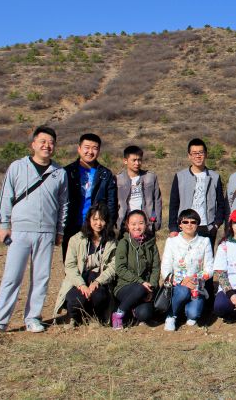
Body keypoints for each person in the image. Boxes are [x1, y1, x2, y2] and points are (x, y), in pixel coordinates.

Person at [0, 126, 68, 334]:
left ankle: (33, 317)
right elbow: (6, 195)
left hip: (47, 231)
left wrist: (60, 230)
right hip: (20, 230)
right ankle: (0, 322)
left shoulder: (59, 173)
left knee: (41, 277)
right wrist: (4, 225)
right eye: (43, 141)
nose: (47, 146)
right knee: (12, 277)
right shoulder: (17, 167)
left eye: (51, 143)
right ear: (33, 144)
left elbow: (63, 204)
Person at [53, 203, 118, 327]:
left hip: (100, 279)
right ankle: (74, 317)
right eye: (95, 219)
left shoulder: (111, 242)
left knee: (98, 296)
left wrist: (98, 281)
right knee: (75, 299)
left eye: (102, 220)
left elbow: (113, 266)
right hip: (79, 278)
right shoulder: (76, 239)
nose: (98, 223)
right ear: (89, 220)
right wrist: (81, 285)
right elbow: (70, 266)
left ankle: (95, 317)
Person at [63, 133, 117, 261]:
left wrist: (108, 225)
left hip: (96, 227)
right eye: (87, 147)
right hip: (72, 225)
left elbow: (112, 203)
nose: (90, 152)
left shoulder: (105, 174)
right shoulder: (67, 172)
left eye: (95, 148)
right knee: (71, 263)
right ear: (79, 149)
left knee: (95, 264)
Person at [161, 209, 214, 331]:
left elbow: (210, 268)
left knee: (193, 314)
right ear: (180, 225)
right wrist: (182, 281)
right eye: (185, 222)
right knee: (183, 291)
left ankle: (185, 311)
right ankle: (171, 315)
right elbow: (166, 269)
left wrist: (195, 279)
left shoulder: (205, 242)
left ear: (197, 224)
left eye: (193, 222)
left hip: (196, 285)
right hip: (178, 285)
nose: (189, 225)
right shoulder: (171, 242)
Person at [168, 138, 225, 245]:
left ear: (206, 154)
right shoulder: (180, 176)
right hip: (185, 226)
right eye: (194, 153)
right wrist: (173, 228)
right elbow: (174, 204)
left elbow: (221, 204)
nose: (198, 156)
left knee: (206, 256)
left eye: (201, 153)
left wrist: (216, 225)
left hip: (207, 227)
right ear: (189, 156)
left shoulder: (215, 177)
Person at [111, 210, 160, 329]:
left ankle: (133, 312)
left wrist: (152, 287)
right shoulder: (124, 243)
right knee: (139, 288)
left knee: (145, 314)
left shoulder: (151, 244)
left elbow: (155, 268)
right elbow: (120, 268)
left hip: (146, 287)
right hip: (125, 286)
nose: (137, 227)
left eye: (141, 223)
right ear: (128, 225)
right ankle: (118, 314)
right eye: (133, 224)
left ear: (146, 224)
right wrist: (140, 282)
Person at [116, 145, 162, 235]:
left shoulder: (150, 177)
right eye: (134, 160)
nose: (137, 163)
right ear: (125, 161)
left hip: (147, 223)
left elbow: (157, 200)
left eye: (139, 160)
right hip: (125, 223)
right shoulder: (118, 179)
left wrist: (157, 221)